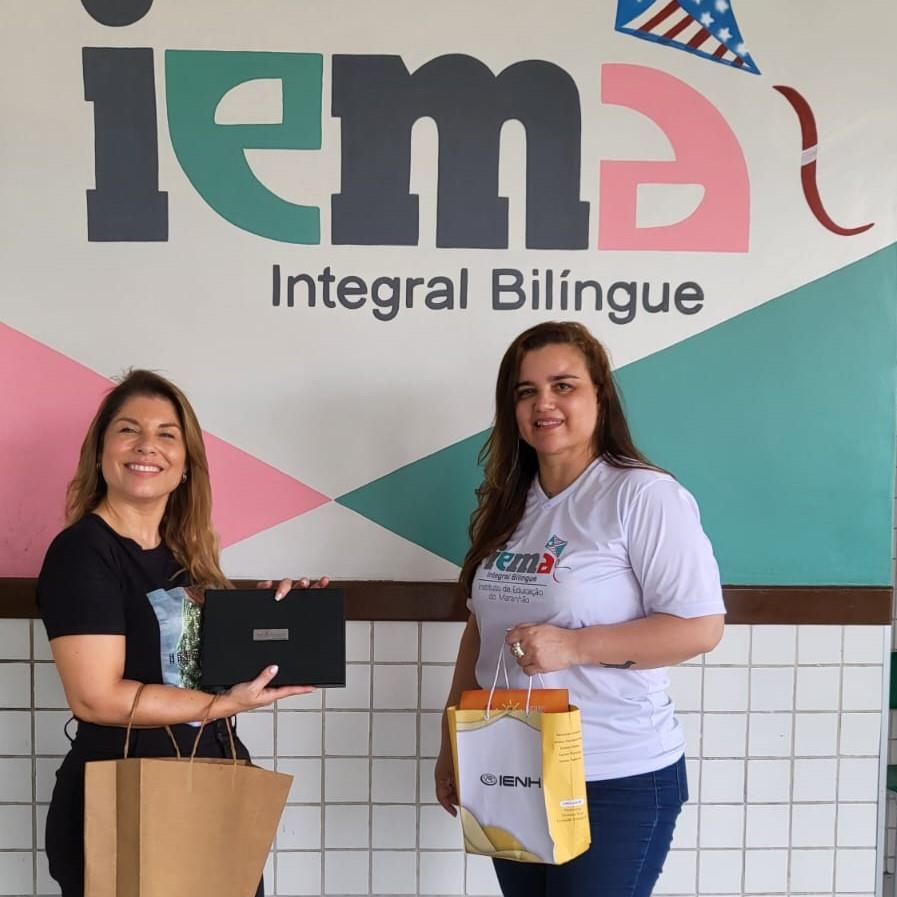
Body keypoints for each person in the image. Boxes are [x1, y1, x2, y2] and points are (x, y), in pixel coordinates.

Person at [435, 322, 725, 897]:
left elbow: (700, 628)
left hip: (615, 777)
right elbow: (480, 632)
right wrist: (452, 742)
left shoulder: (642, 495)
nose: (544, 403)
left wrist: (575, 646)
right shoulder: (510, 504)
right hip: (513, 764)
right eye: (525, 391)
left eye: (563, 385)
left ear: (600, 397)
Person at [37, 370, 327, 897]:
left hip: (205, 786)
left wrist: (278, 617)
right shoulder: (83, 553)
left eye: (167, 434)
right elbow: (96, 698)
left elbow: (198, 670)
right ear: (100, 452)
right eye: (128, 430)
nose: (148, 445)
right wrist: (218, 708)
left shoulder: (185, 557)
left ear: (187, 463)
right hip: (125, 798)